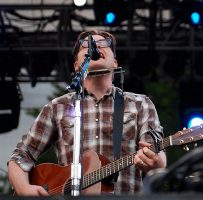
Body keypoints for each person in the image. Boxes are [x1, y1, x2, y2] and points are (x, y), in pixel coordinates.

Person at [7, 30, 167, 196]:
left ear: (114, 62)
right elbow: (20, 156)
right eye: (87, 45)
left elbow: (157, 154)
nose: (95, 46)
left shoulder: (140, 104)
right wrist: (24, 189)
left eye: (103, 44)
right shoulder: (57, 107)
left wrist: (156, 161)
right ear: (77, 66)